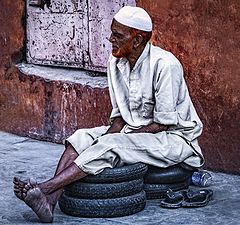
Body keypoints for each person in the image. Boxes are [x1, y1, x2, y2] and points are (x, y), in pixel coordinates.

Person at [13, 6, 204, 223]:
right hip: (135, 130)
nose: (110, 39)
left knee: (111, 146)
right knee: (80, 138)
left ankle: (46, 187)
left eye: (117, 35)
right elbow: (120, 117)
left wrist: (114, 141)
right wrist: (102, 139)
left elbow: (163, 124)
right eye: (112, 32)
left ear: (137, 40)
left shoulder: (165, 65)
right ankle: (51, 200)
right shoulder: (115, 62)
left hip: (173, 139)